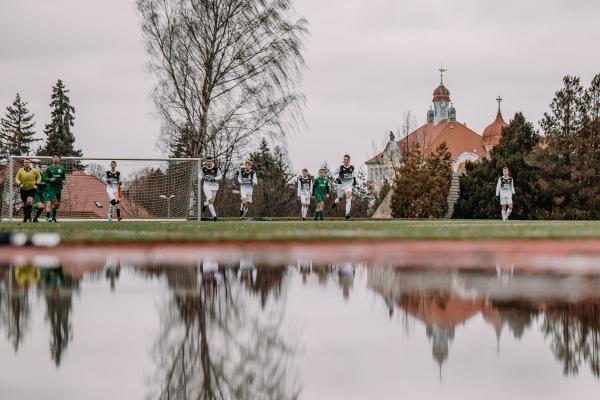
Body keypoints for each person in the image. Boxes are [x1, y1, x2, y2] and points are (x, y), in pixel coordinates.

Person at [15, 158, 41, 222]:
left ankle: (29, 214)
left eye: (28, 162)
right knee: (24, 203)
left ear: (30, 163)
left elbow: (39, 177)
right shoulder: (20, 171)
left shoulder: (34, 170)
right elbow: (17, 178)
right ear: (23, 163)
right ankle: (25, 216)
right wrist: (20, 184)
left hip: (31, 189)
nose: (26, 163)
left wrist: (36, 184)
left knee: (29, 201)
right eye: (25, 162)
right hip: (23, 189)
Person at [332, 154, 357, 219]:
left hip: (348, 185)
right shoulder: (340, 168)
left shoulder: (352, 167)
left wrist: (354, 180)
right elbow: (333, 174)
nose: (345, 161)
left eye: (347, 160)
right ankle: (335, 201)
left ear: (349, 161)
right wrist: (337, 179)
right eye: (344, 159)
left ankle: (347, 214)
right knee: (340, 199)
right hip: (341, 186)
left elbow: (353, 173)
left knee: (348, 196)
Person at [43, 154, 66, 223]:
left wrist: (64, 181)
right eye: (54, 157)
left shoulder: (62, 168)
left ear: (59, 159)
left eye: (57, 157)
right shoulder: (49, 168)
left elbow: (64, 177)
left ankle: (53, 217)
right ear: (52, 159)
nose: (55, 159)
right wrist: (50, 179)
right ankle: (51, 217)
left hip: (59, 188)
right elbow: (44, 177)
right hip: (51, 188)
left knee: (57, 205)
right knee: (54, 201)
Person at [199, 156, 222, 221]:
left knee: (210, 202)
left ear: (212, 162)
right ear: (206, 162)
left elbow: (220, 176)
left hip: (214, 187)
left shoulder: (216, 169)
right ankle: (214, 217)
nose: (209, 162)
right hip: (206, 187)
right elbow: (199, 175)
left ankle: (204, 204)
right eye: (207, 161)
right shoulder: (203, 169)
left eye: (210, 161)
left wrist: (214, 178)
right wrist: (203, 178)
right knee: (210, 201)